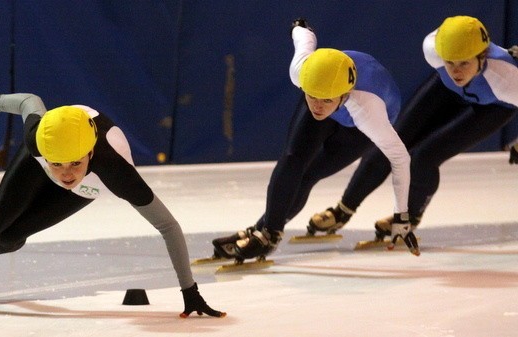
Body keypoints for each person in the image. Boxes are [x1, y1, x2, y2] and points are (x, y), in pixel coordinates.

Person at [0, 92, 225, 318]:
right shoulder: (39, 139)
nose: (66, 174)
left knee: (9, 237)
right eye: (58, 165)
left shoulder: (113, 169)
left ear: (89, 153)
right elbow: (29, 102)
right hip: (44, 157)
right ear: (45, 154)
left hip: (93, 183)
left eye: (74, 163)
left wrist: (189, 291)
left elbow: (167, 226)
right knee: (0, 214)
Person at [212, 18, 417, 260]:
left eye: (325, 100)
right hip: (328, 87)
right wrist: (298, 26)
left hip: (357, 125)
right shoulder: (303, 73)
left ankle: (265, 230)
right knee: (293, 160)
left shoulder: (369, 111)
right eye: (311, 96)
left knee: (310, 174)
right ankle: (268, 232)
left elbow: (400, 158)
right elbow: (304, 38)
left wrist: (401, 216)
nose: (317, 107)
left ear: (343, 95)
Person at [308, 16, 518, 241]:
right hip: (446, 90)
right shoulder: (433, 49)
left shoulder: (506, 80)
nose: (456, 71)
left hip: (494, 106)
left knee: (424, 158)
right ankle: (343, 210)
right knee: (390, 141)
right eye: (451, 62)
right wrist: (457, 64)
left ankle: (410, 217)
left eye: (464, 62)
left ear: (482, 56)